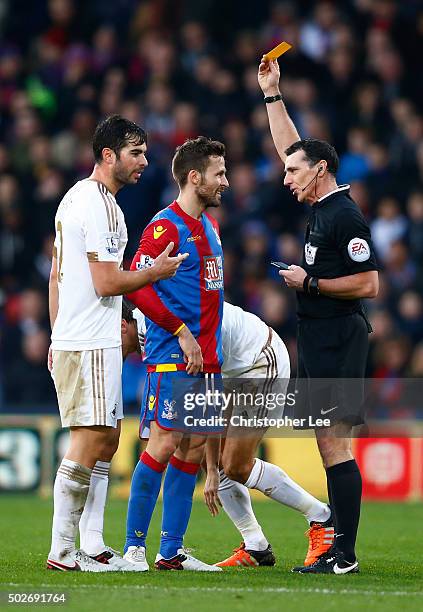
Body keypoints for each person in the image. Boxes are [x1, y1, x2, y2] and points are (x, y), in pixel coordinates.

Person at [47, 115, 187, 572]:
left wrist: (56, 333)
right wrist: (156, 272)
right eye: (135, 152)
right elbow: (107, 282)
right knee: (93, 440)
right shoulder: (104, 205)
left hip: (79, 335)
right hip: (89, 339)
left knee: (106, 439)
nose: (144, 161)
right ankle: (63, 553)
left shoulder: (73, 198)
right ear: (108, 155)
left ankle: (88, 544)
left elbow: (56, 275)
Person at [257, 59, 379, 574]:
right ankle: (339, 548)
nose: (286, 177)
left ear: (321, 170)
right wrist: (272, 96)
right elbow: (292, 146)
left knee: (335, 442)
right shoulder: (323, 208)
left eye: (294, 171)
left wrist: (308, 283)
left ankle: (343, 553)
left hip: (339, 335)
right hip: (319, 334)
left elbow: (369, 282)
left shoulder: (344, 215)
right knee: (327, 441)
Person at [135, 302, 334, 569]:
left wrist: (214, 471)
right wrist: (211, 466)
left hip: (260, 362)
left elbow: (209, 399)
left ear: (124, 325)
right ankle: (256, 546)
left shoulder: (161, 325)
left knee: (236, 466)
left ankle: (321, 516)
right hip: (230, 371)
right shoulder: (153, 318)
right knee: (217, 461)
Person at [122, 136, 228, 571]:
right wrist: (181, 331)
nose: (226, 181)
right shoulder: (165, 226)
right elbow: (137, 281)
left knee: (193, 447)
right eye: (219, 173)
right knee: (165, 444)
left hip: (208, 360)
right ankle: (133, 548)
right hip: (173, 355)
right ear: (194, 177)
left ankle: (171, 552)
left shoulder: (211, 226)